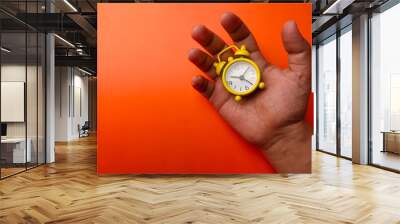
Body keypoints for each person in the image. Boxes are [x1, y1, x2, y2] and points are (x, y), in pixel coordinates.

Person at [188, 12, 311, 173]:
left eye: (243, 74)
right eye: (237, 76)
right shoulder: (231, 79)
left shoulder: (253, 78)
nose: (240, 76)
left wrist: (285, 135)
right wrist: (284, 139)